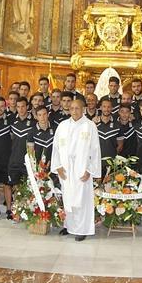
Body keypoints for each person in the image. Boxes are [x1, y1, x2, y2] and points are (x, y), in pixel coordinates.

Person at [51, 99, 101, 242]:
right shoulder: (63, 125)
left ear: (83, 109)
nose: (74, 111)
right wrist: (58, 166)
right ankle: (69, 225)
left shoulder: (89, 126)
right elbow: (56, 147)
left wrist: (90, 170)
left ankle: (82, 229)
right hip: (66, 169)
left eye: (77, 108)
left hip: (81, 169)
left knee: (81, 200)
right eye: (71, 108)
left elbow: (95, 150)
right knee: (68, 199)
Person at [7, 97, 36, 208]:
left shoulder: (34, 123)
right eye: (18, 107)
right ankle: (17, 210)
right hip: (14, 160)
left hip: (27, 162)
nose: (20, 109)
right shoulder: (12, 122)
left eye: (23, 106)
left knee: (27, 187)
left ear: (27, 107)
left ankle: (27, 210)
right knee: (15, 187)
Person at [96, 97, 123, 176]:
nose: (106, 109)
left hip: (112, 164)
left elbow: (120, 145)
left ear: (112, 108)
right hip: (97, 163)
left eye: (108, 107)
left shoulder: (118, 125)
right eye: (104, 106)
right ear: (100, 108)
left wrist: (112, 155)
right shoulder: (93, 124)